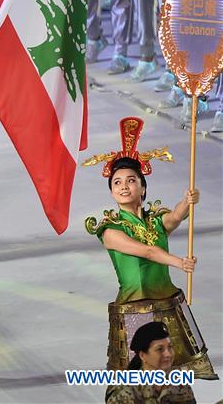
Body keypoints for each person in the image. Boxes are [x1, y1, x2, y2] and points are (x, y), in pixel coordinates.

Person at [84, 116, 217, 380]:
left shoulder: (155, 221)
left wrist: (187, 201)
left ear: (143, 187)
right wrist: (179, 262)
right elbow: (148, 251)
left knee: (171, 371)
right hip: (135, 309)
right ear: (111, 192)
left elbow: (175, 217)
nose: (124, 186)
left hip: (167, 305)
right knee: (137, 376)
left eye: (131, 180)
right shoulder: (110, 230)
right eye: (117, 182)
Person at [105, 321, 198, 404]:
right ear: (142, 355)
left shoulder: (180, 385)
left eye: (170, 347)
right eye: (159, 349)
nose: (168, 354)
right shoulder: (124, 392)